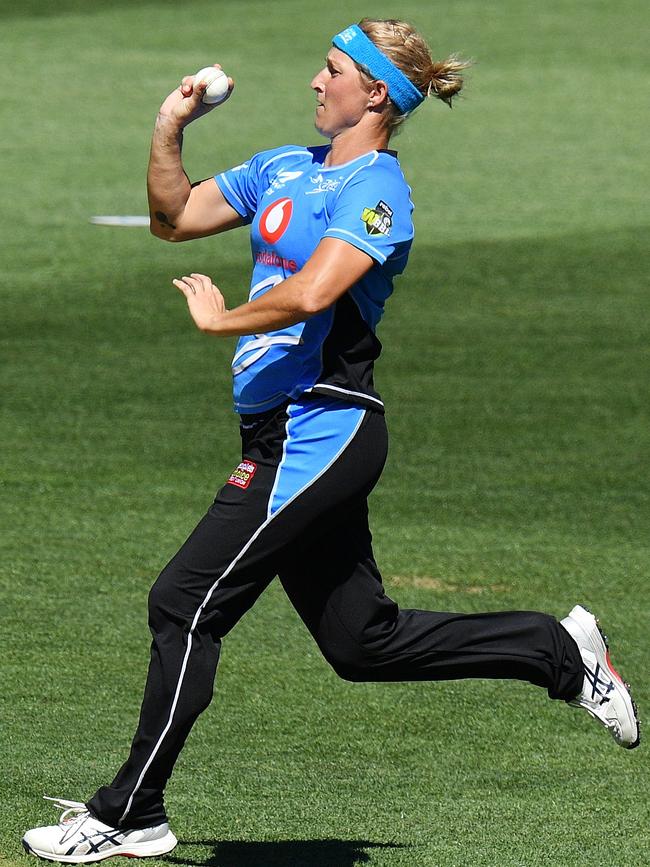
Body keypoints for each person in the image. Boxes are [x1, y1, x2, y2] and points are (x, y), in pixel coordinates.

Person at [23, 18, 639, 864]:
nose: (316, 81)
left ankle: (131, 811)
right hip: (279, 429)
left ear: (375, 93)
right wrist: (171, 126)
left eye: (334, 70)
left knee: (183, 601)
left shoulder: (378, 194)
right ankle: (557, 650)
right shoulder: (286, 166)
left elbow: (315, 292)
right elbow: (173, 216)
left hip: (322, 427)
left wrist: (222, 320)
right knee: (362, 642)